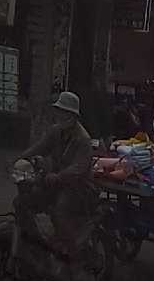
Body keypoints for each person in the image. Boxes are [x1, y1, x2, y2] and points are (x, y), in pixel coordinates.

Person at [17, 92, 97, 264]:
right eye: (60, 111)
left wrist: (58, 176)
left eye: (67, 113)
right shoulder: (55, 131)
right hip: (56, 182)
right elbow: (39, 147)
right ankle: (36, 246)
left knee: (59, 211)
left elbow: (79, 168)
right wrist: (20, 159)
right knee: (23, 202)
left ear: (74, 116)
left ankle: (73, 254)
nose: (62, 116)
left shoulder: (83, 139)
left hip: (78, 187)